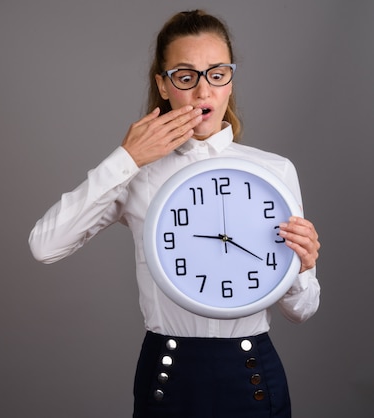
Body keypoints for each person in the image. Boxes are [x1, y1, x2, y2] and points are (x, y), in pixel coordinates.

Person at [28, 9, 320, 418]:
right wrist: (126, 158)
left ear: (229, 81)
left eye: (217, 74)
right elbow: (45, 246)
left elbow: (302, 311)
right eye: (186, 77)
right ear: (164, 86)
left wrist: (303, 267)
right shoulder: (136, 174)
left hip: (254, 378)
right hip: (169, 379)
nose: (204, 92)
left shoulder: (274, 172)